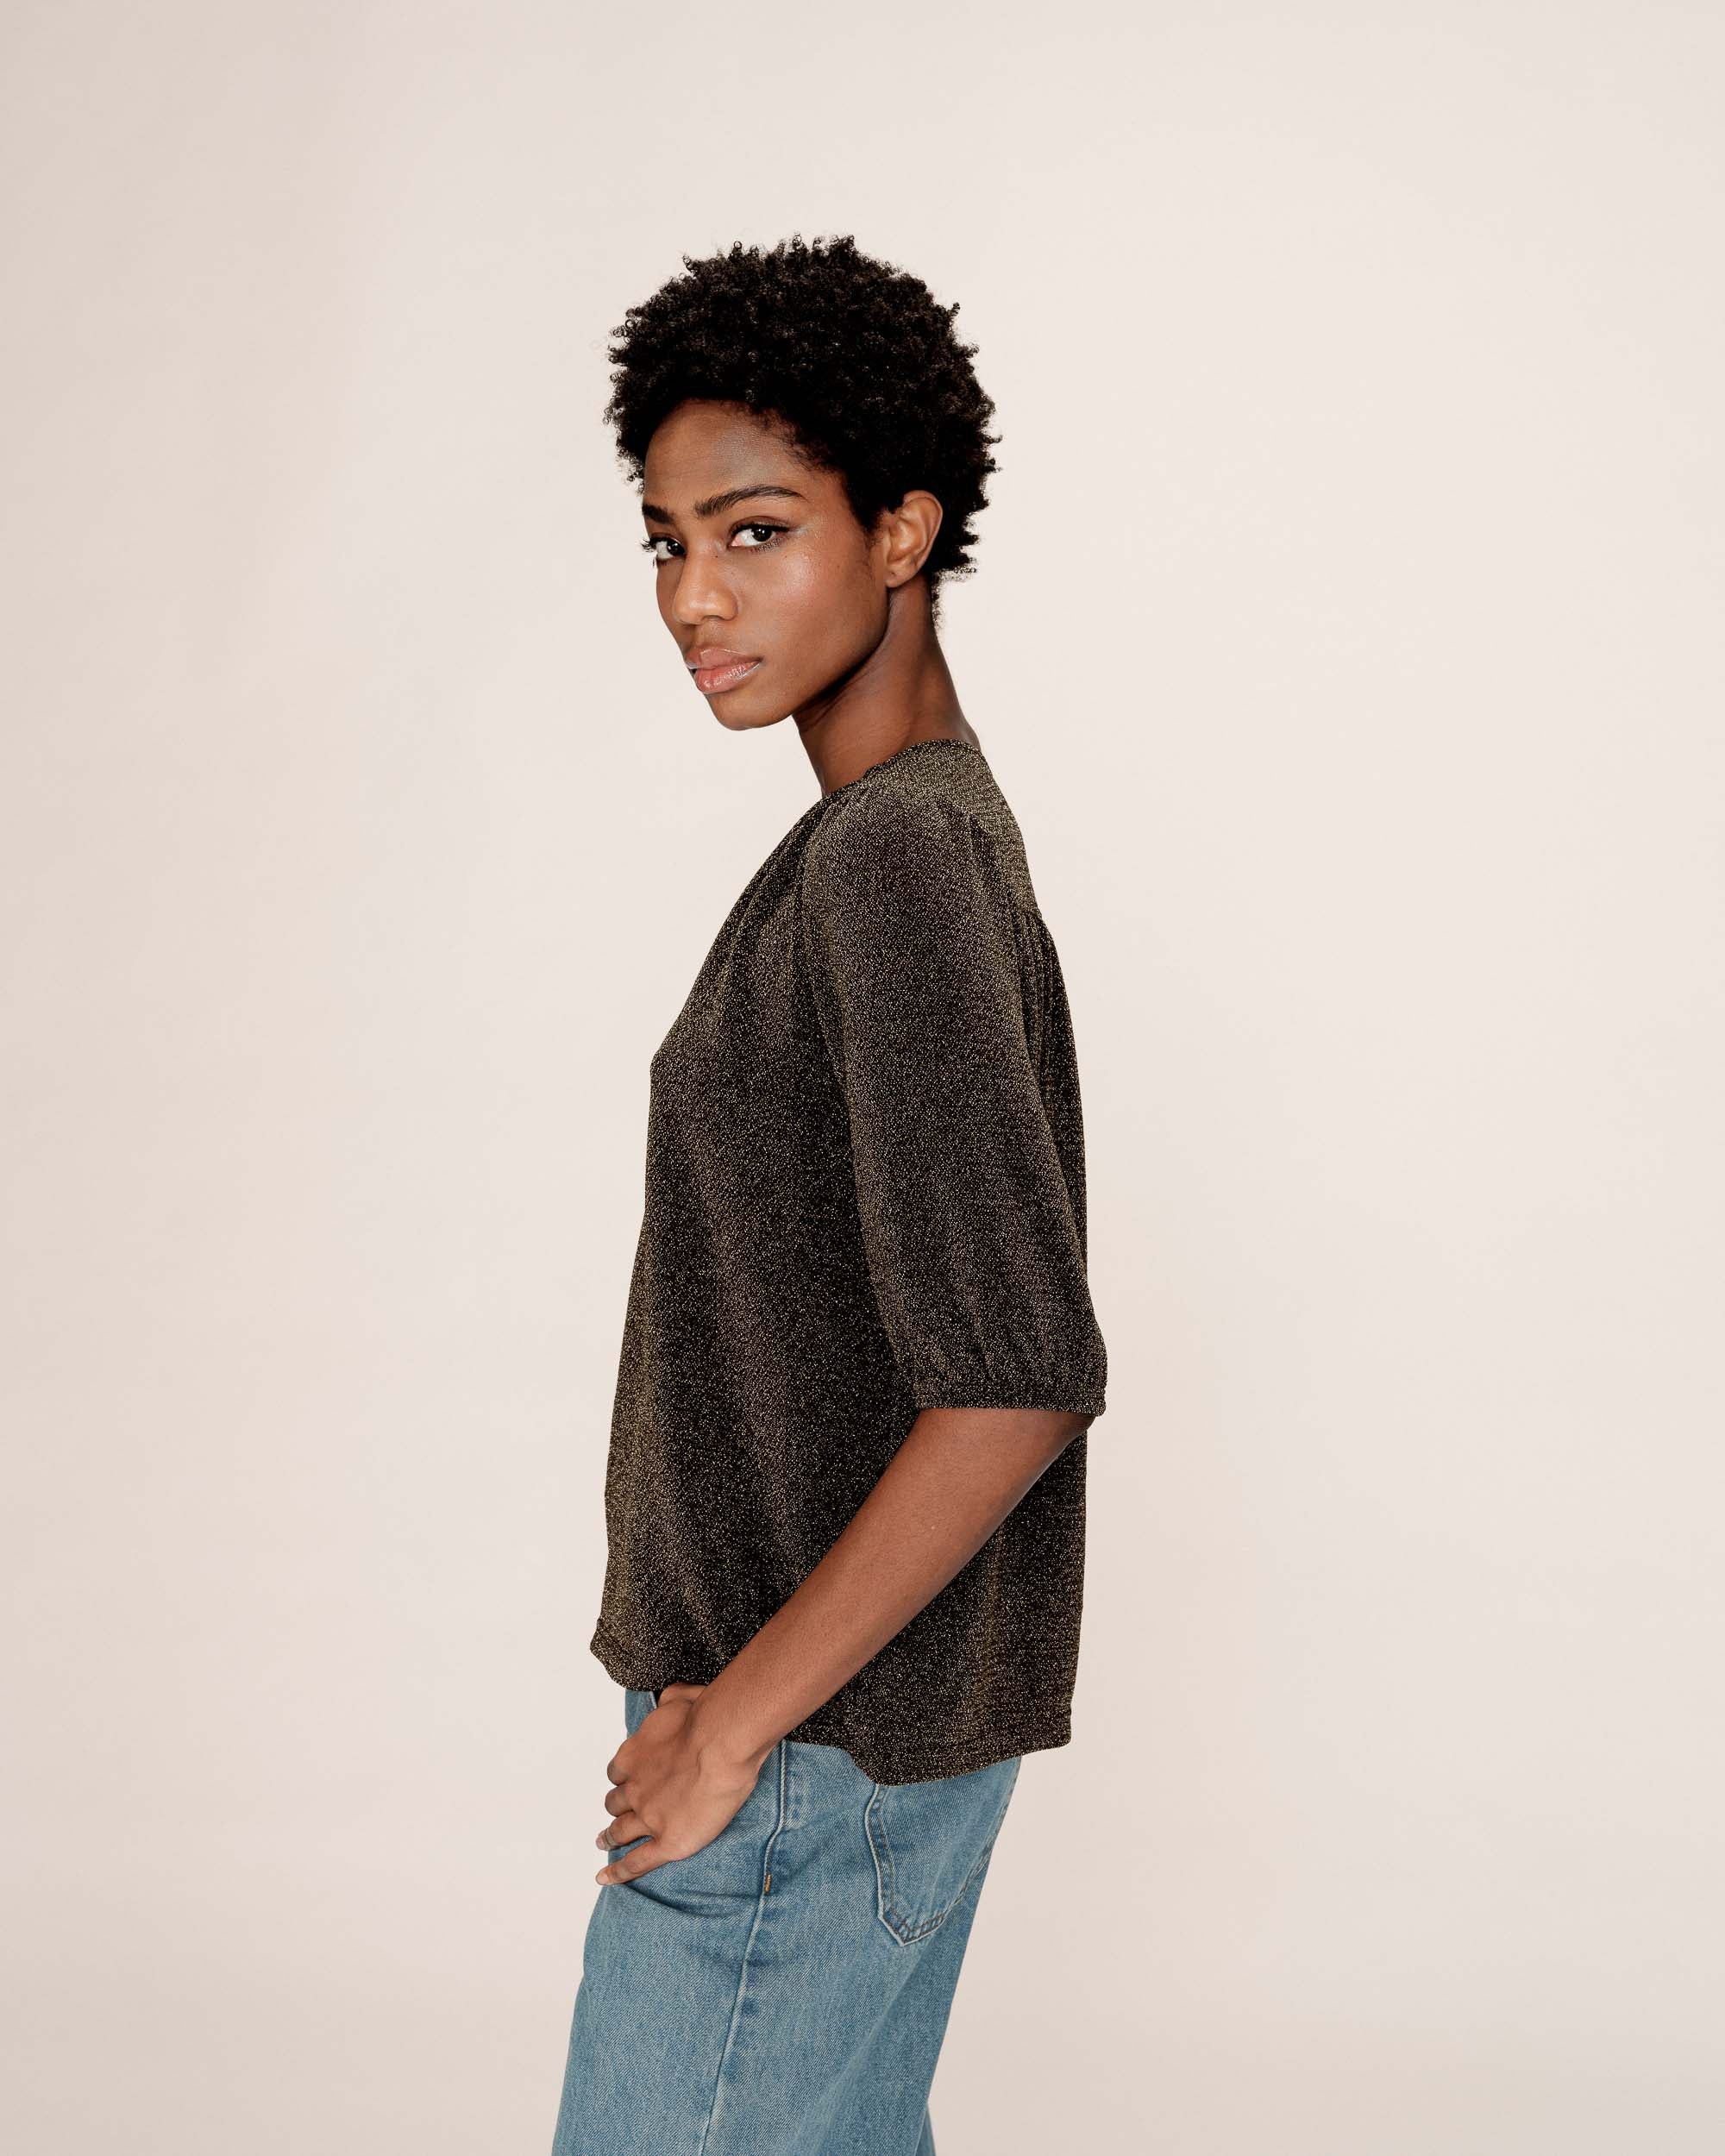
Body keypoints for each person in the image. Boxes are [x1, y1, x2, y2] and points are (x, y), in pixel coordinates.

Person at [549, 234, 1110, 2156]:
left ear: (901, 531)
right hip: (818, 1746)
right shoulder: (888, 841)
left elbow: (1018, 1375)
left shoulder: (897, 859)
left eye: (756, 531)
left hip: (804, 1753)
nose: (693, 595)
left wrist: (729, 1723)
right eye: (665, 541)